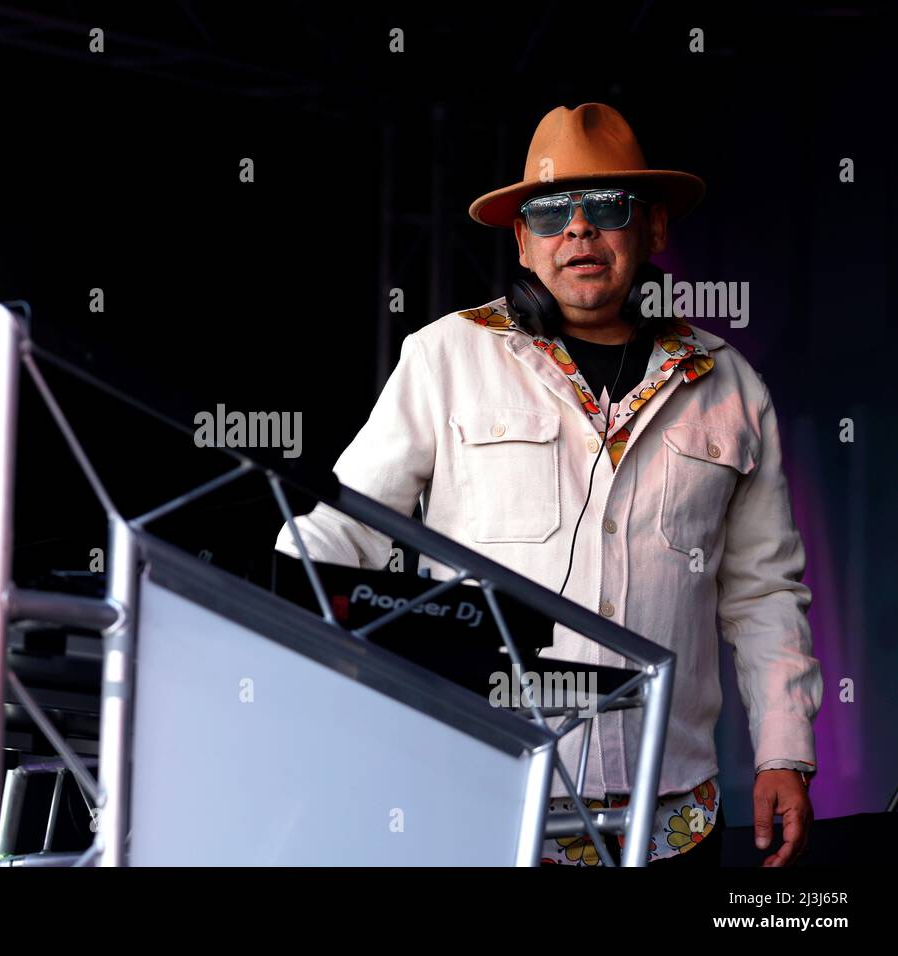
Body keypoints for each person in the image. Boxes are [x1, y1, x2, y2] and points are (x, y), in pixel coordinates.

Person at [274, 103, 821, 866]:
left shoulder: (729, 384)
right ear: (524, 243)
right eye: (550, 211)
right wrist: (258, 613)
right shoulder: (445, 357)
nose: (578, 230)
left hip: (671, 824)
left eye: (605, 207)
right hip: (482, 797)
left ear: (654, 229)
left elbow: (763, 593)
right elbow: (346, 529)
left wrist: (783, 754)